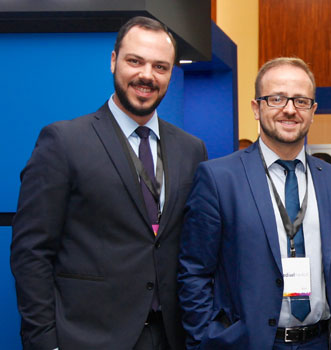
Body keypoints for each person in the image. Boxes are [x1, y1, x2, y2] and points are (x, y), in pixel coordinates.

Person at [10, 16, 207, 350]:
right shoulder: (64, 142)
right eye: (135, 61)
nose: (147, 75)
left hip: (172, 337)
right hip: (88, 337)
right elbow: (31, 253)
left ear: (171, 72)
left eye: (160, 66)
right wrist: (44, 342)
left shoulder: (191, 149)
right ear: (114, 61)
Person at [178, 57, 331, 350]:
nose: (289, 109)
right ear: (256, 107)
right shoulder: (219, 178)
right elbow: (194, 271)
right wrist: (208, 338)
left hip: (323, 341)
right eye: (276, 98)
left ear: (313, 111)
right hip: (247, 343)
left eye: (301, 101)